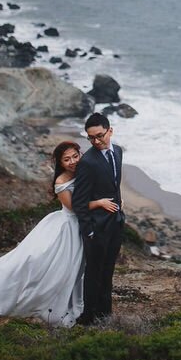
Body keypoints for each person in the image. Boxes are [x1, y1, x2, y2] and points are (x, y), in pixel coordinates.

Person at [0, 141, 117, 327]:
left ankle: (77, 304)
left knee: (78, 269)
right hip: (68, 227)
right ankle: (40, 300)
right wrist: (99, 203)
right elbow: (74, 208)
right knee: (52, 265)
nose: (73, 161)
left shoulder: (85, 170)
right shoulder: (61, 181)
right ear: (60, 163)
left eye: (75, 156)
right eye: (67, 159)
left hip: (84, 225)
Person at [72, 113, 125, 324]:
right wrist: (90, 231)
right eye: (91, 138)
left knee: (108, 271)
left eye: (100, 136)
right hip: (96, 227)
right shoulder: (87, 162)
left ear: (110, 131)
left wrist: (120, 206)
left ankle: (105, 314)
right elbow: (79, 202)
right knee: (94, 273)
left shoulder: (118, 152)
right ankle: (87, 318)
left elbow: (114, 184)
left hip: (116, 223)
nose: (96, 141)